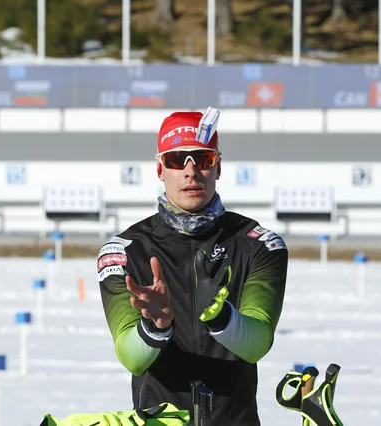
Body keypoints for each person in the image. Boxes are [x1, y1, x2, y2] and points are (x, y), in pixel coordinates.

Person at [97, 108, 288, 426]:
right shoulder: (123, 251)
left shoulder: (259, 244)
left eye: (202, 160)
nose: (190, 172)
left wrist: (219, 315)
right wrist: (155, 327)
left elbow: (256, 344)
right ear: (160, 169)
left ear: (218, 166)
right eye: (176, 160)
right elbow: (131, 357)